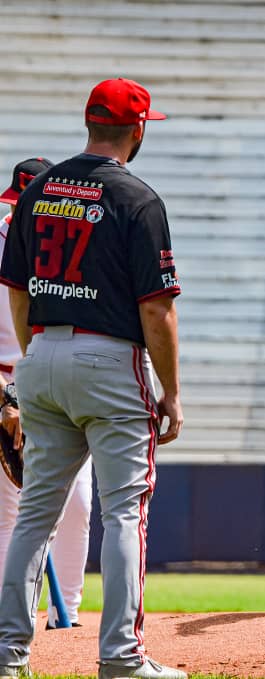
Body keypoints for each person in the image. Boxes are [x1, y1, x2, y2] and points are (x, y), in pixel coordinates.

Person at [0, 78, 184, 679]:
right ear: (139, 129)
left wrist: (33, 360)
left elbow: (18, 291)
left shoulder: (37, 192)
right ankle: (122, 659)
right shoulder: (137, 198)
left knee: (35, 515)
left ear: (87, 123)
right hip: (109, 361)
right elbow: (156, 309)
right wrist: (172, 392)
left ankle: (7, 656)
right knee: (124, 511)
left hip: (43, 355)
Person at [0, 158, 93, 630]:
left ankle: (67, 617)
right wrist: (4, 397)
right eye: (15, 207)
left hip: (59, 381)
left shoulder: (69, 241)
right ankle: (14, 622)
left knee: (77, 504)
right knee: (11, 512)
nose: (20, 216)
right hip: (5, 387)